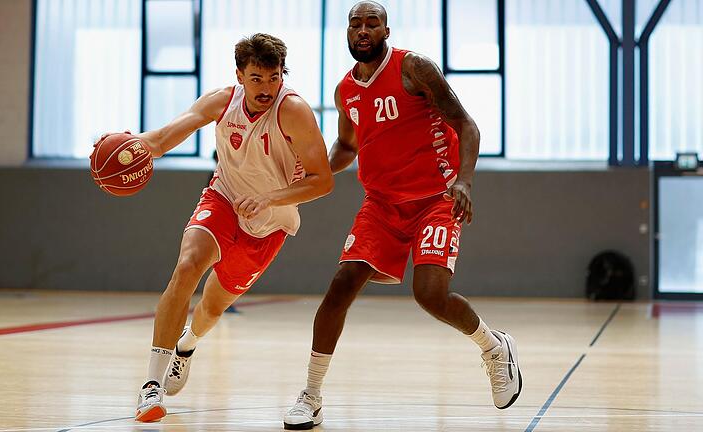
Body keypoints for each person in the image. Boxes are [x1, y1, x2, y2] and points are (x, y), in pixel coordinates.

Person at [283, 2, 521, 429]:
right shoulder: (344, 91)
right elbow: (347, 147)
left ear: (386, 29)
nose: (362, 29)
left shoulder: (414, 69)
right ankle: (312, 395)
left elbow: (468, 125)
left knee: (430, 294)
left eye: (371, 22)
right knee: (341, 285)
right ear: (347, 31)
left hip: (436, 197)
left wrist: (463, 182)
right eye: (355, 23)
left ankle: (493, 346)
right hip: (381, 203)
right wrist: (309, 166)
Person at [124, 33, 333, 423]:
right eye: (256, 78)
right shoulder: (222, 102)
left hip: (270, 223)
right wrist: (129, 145)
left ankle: (187, 344)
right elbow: (165, 137)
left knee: (213, 306)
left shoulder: (294, 112)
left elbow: (323, 181)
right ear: (239, 75)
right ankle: (151, 385)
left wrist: (272, 198)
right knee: (187, 267)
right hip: (223, 199)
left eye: (274, 78)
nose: (266, 88)